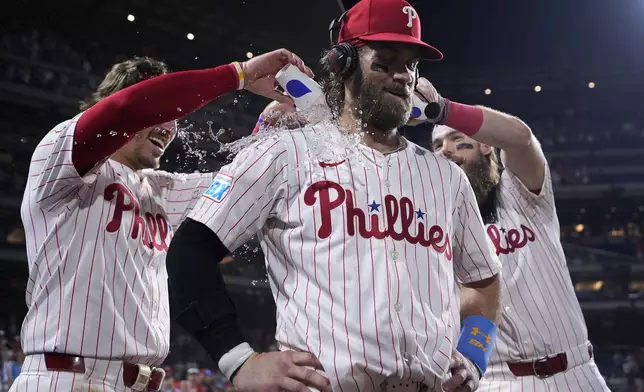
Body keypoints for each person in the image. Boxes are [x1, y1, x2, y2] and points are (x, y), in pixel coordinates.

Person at [166, 1, 502, 391]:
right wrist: (239, 359)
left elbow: (483, 279)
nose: (401, 76)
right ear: (343, 63)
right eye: (384, 62)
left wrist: (475, 356)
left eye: (410, 64)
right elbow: (190, 249)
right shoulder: (285, 153)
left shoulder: (447, 178)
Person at [13, 48, 312, 392]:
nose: (170, 126)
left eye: (174, 117)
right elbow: (127, 108)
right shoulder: (61, 162)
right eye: (163, 113)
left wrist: (271, 125)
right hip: (67, 380)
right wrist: (239, 73)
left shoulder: (161, 189)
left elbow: (245, 185)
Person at [424, 77, 610, 391]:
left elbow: (521, 138)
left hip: (576, 371)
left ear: (485, 145)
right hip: (496, 380)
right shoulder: (432, 225)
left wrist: (443, 110)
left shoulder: (519, 193)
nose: (446, 150)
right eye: (438, 146)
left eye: (457, 140)